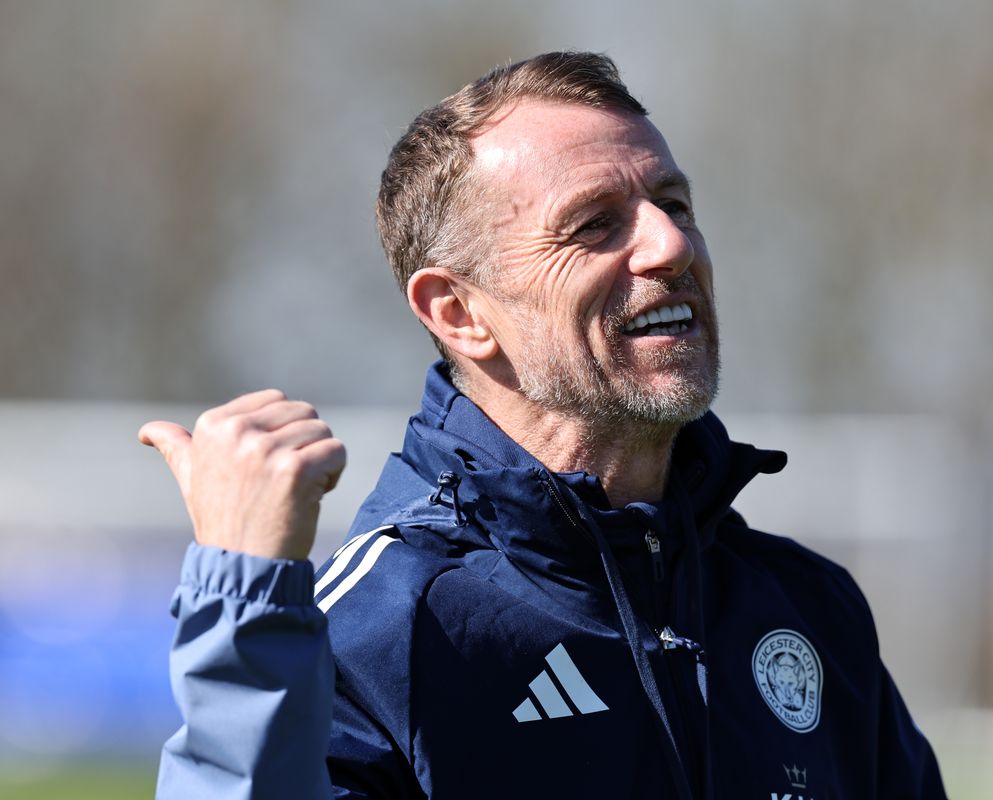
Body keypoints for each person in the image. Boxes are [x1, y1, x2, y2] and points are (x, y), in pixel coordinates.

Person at [140, 52, 946, 799]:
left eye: (673, 203)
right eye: (595, 224)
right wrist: (245, 605)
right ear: (459, 313)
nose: (670, 244)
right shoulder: (383, 630)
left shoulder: (807, 604)